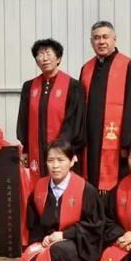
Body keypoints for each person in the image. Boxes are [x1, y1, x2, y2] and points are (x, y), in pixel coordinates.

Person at [18, 139, 103, 261]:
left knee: (58, 250)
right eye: (50, 160)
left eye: (61, 160)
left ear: (72, 161)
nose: (55, 166)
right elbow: (33, 223)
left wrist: (65, 234)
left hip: (77, 244)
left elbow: (94, 226)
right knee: (30, 255)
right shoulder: (40, 188)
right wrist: (42, 238)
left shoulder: (85, 190)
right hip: (48, 241)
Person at [79, 21, 131, 193]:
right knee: (91, 181)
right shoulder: (86, 68)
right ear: (91, 42)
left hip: (117, 141)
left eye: (105, 37)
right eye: (97, 38)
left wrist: (127, 143)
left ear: (114, 39)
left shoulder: (129, 67)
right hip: (91, 140)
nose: (101, 41)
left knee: (116, 187)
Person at [16, 38, 85, 185]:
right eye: (40, 55)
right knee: (39, 187)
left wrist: (62, 148)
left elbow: (74, 121)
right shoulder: (29, 87)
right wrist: (26, 149)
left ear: (58, 58)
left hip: (64, 150)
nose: (44, 58)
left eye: (48, 53)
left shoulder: (73, 87)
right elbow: (23, 119)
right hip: (37, 151)